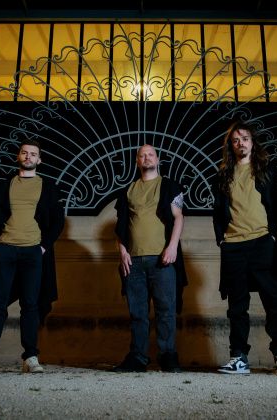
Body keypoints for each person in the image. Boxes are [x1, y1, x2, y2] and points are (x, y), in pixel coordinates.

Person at [0, 138, 64, 374]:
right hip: (5, 250)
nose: (28, 156)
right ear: (18, 156)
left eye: (33, 154)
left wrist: (43, 247)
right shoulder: (4, 185)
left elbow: (57, 221)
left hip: (33, 251)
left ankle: (30, 357)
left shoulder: (48, 187)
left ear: (39, 160)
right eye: (24, 152)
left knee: (30, 305)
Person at [212, 121, 277, 375]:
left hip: (262, 241)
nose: (241, 143)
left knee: (275, 299)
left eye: (245, 139)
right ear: (231, 146)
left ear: (253, 142)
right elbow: (218, 211)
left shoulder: (267, 170)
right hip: (233, 245)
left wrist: (271, 234)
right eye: (236, 140)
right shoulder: (223, 175)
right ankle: (239, 358)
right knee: (237, 305)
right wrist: (222, 240)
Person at [113, 144, 187, 372]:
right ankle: (138, 358)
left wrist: (172, 247)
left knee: (166, 310)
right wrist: (122, 251)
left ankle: (168, 356)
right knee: (137, 313)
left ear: (157, 159)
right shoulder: (128, 190)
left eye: (150, 154)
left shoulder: (169, 186)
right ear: (137, 161)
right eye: (142, 155)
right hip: (134, 260)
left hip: (162, 258)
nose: (146, 158)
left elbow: (178, 217)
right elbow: (121, 226)